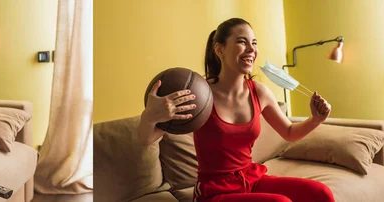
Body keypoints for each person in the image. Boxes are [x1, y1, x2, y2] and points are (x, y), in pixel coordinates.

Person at [138, 18, 335, 202]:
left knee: (320, 193)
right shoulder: (200, 95)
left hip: (251, 179)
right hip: (214, 190)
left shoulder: (259, 92)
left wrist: (316, 119)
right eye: (242, 42)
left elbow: (289, 133)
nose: (252, 49)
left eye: (255, 43)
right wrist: (150, 116)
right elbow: (146, 139)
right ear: (219, 49)